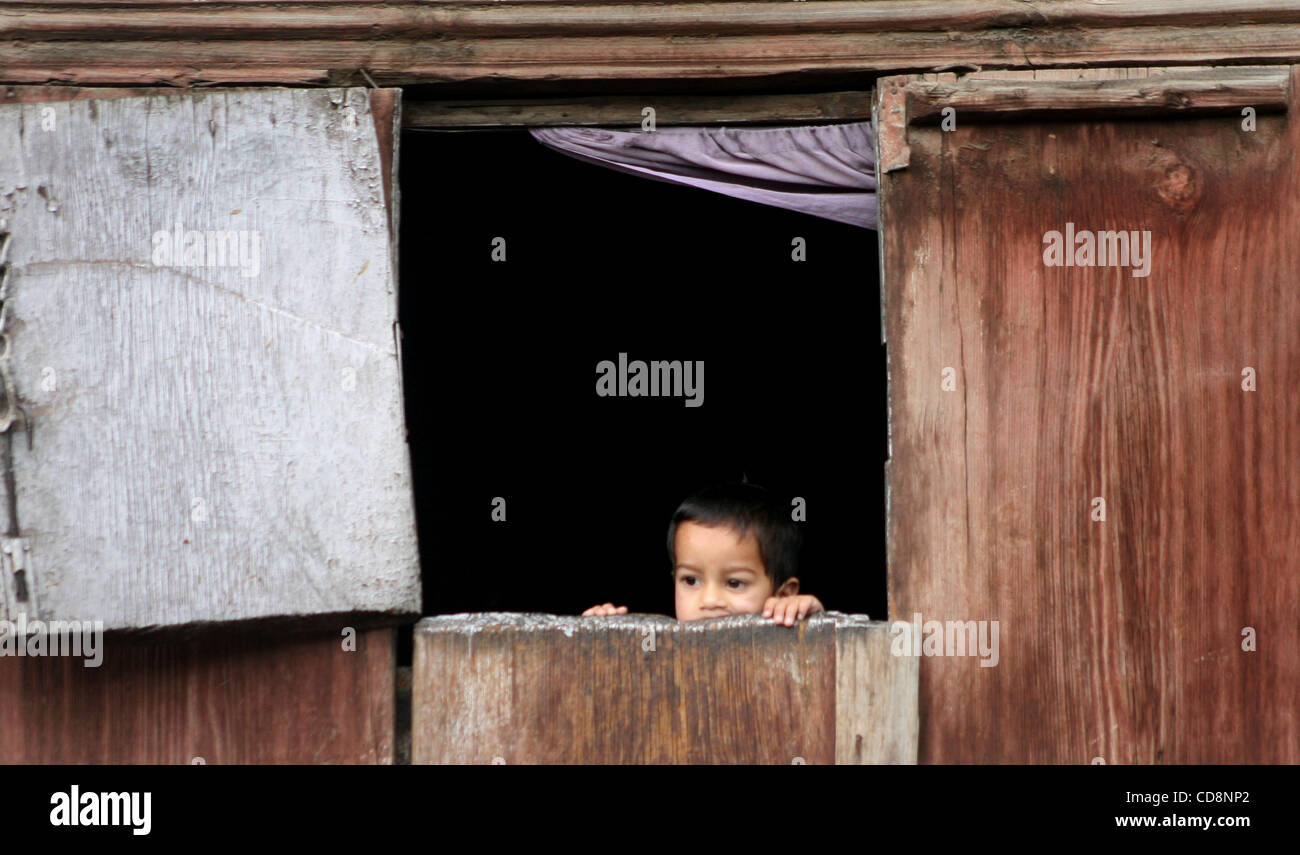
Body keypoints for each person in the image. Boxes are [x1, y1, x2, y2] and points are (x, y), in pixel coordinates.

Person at [583, 481, 823, 625]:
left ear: (783, 594)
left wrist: (810, 620)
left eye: (734, 583)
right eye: (690, 580)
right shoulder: (659, 648)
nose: (709, 601)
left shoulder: (786, 638)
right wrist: (603, 633)